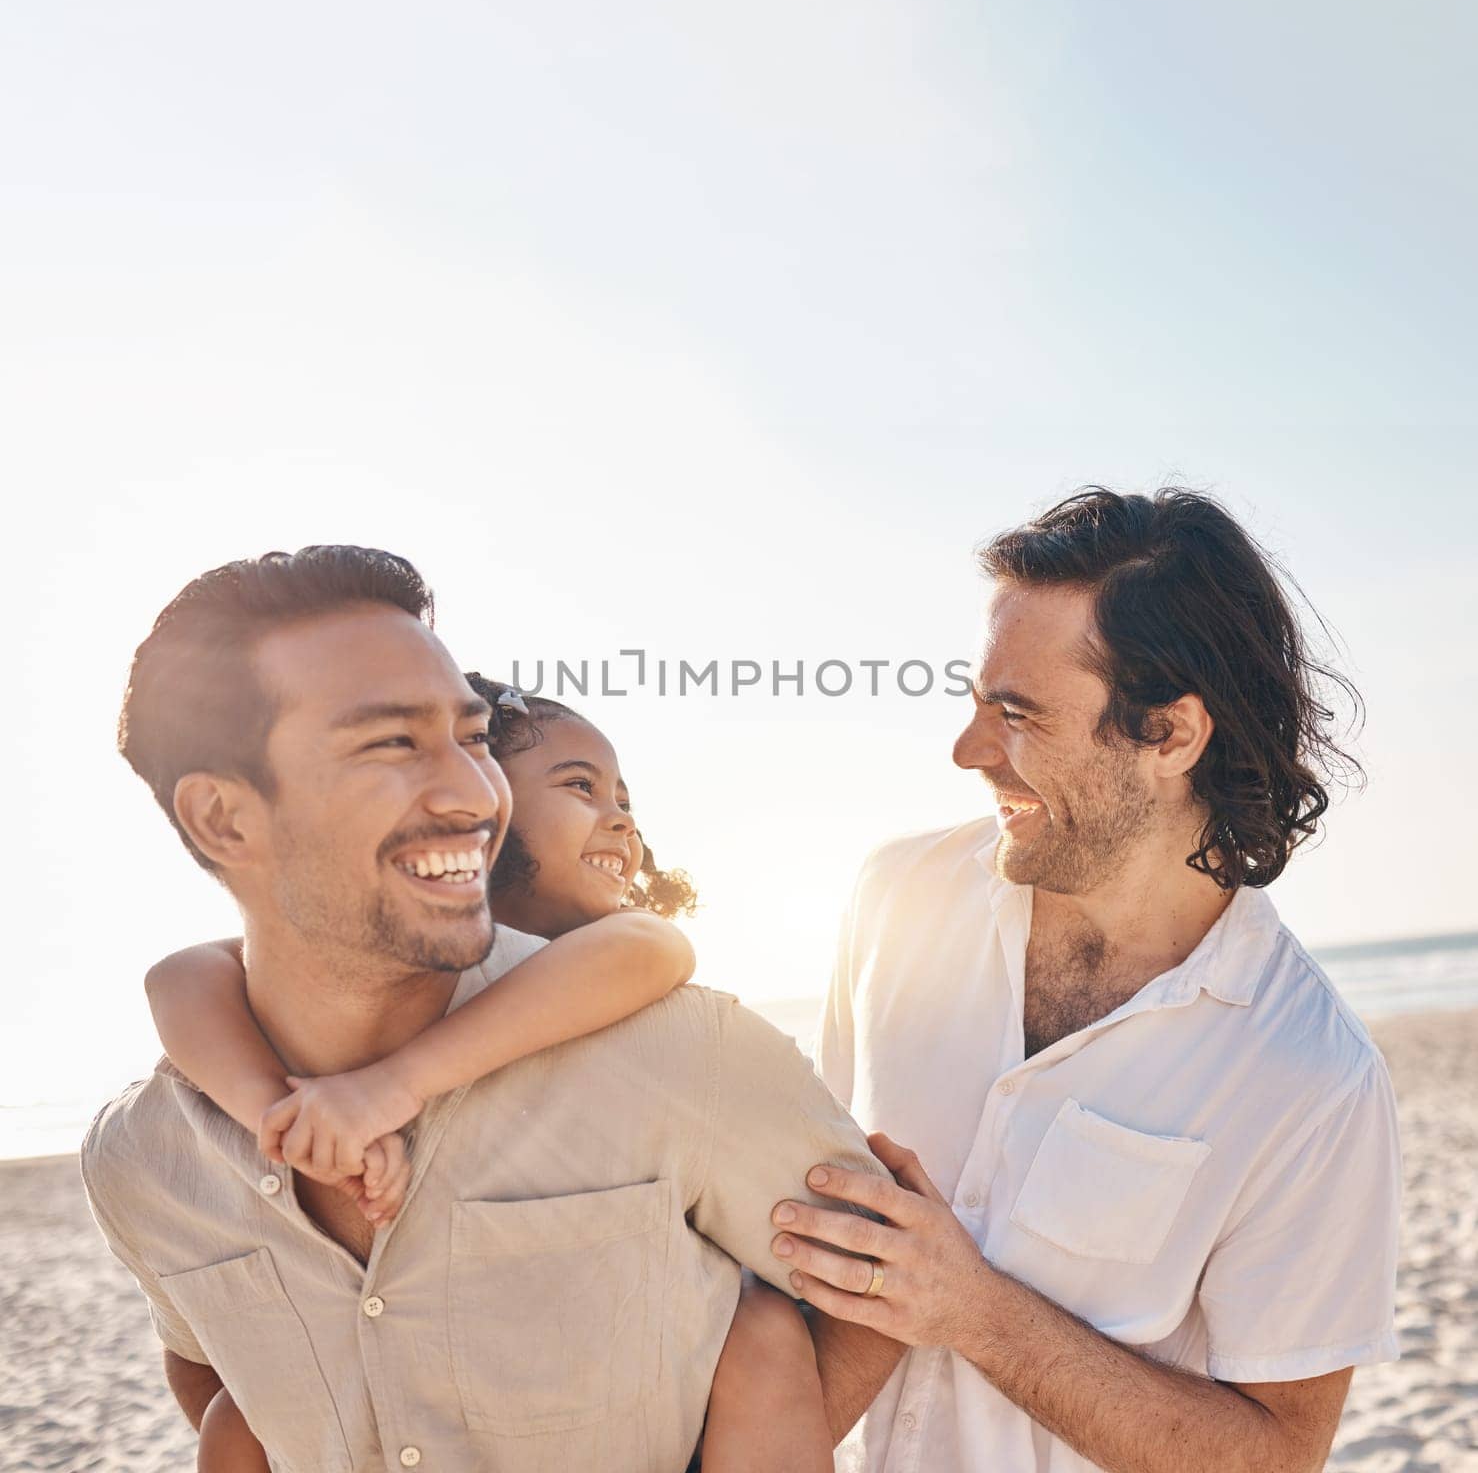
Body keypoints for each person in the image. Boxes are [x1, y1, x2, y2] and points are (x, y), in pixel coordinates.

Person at [81, 545, 899, 1473]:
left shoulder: (679, 1050)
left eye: (472, 740)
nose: (476, 794)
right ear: (224, 821)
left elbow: (893, 1291)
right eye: (391, 743)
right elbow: (213, 1377)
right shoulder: (141, 1154)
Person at [769, 488, 1401, 1473]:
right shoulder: (894, 898)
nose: (967, 750)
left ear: (1168, 736)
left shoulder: (1311, 1078)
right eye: (977, 701)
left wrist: (976, 1312)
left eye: (1014, 713)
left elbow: (1276, 1455)